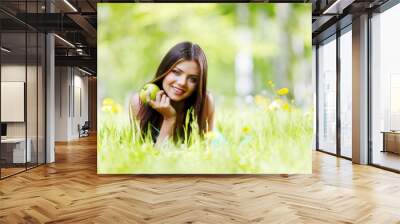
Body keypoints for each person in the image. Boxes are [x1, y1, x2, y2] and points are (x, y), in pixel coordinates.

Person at [130, 41, 215, 146]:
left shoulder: (205, 102)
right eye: (176, 72)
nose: (182, 83)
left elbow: (205, 150)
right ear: (164, 70)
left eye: (193, 79)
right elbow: (150, 157)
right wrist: (169, 118)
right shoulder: (140, 103)